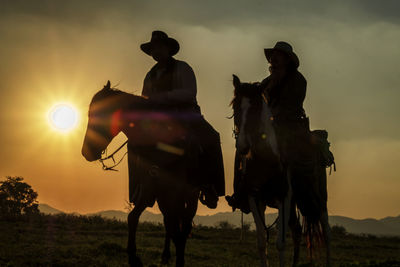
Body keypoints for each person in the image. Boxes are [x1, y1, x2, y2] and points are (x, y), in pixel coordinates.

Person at [135, 30, 225, 208]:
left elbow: (190, 93)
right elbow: (145, 98)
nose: (156, 52)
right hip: (159, 119)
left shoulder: (183, 68)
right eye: (153, 49)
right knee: (134, 144)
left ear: (168, 49)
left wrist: (162, 97)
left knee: (212, 138)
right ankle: (139, 189)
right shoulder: (150, 75)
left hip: (187, 114)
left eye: (159, 47)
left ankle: (211, 187)